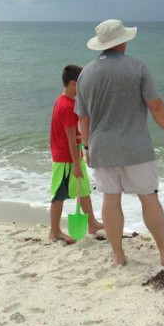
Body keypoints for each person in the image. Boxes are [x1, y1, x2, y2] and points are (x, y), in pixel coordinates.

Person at [76, 19, 164, 266]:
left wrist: (85, 147)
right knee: (148, 197)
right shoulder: (137, 67)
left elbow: (83, 118)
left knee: (110, 199)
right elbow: (155, 105)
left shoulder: (85, 74)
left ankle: (118, 255)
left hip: (101, 147)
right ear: (123, 41)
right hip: (135, 147)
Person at [48, 64, 103, 243]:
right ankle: (54, 231)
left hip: (73, 155)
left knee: (84, 189)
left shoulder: (68, 102)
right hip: (65, 159)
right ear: (73, 84)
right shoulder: (66, 106)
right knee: (59, 194)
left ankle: (92, 223)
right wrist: (75, 165)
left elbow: (72, 135)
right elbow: (70, 138)